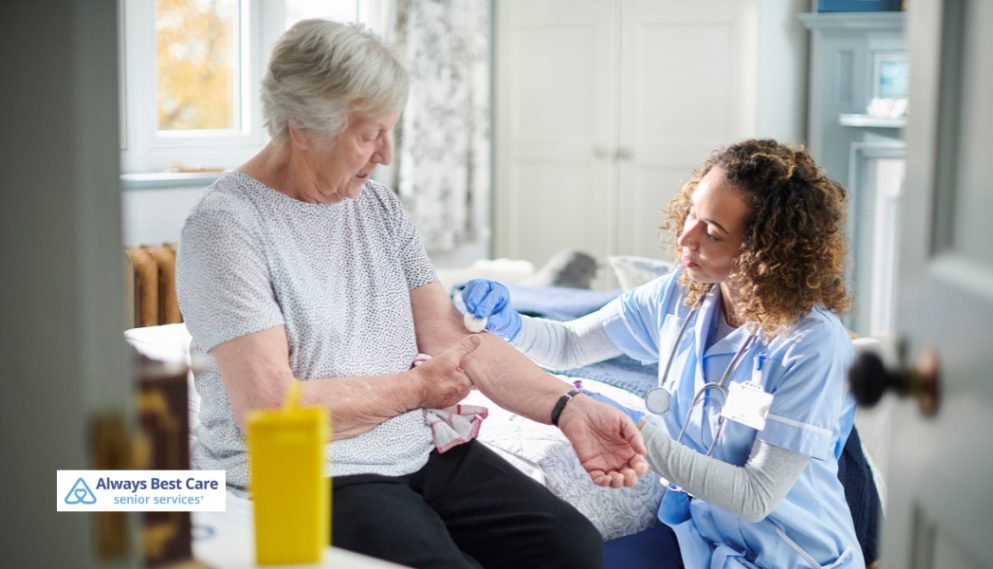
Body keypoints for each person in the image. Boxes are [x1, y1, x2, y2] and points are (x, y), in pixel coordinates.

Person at [176, 19, 647, 569]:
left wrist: (567, 407)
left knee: (571, 547)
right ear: (301, 127)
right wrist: (415, 389)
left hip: (416, 451)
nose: (386, 155)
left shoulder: (377, 206)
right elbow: (270, 410)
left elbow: (451, 336)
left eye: (390, 132)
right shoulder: (226, 226)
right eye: (368, 134)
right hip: (304, 469)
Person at [460, 139, 866, 568]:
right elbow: (569, 344)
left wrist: (633, 428)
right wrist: (510, 323)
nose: (684, 238)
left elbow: (755, 497)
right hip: (703, 540)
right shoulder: (680, 294)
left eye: (712, 233)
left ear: (765, 252)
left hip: (790, 554)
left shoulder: (812, 345)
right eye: (691, 212)